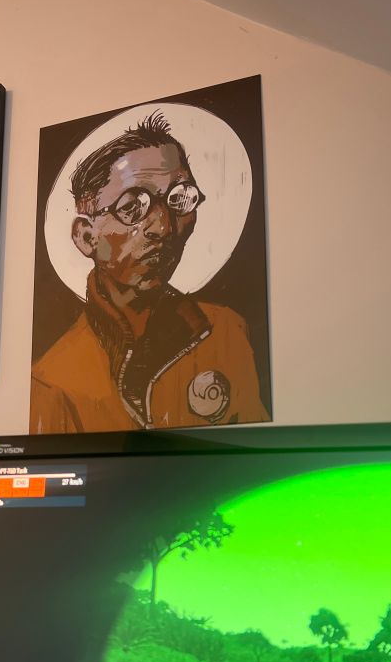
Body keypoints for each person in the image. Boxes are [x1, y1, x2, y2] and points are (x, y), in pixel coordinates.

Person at [31, 113, 269, 432]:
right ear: (87, 237)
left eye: (179, 199)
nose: (164, 227)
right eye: (132, 207)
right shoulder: (54, 383)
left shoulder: (227, 332)